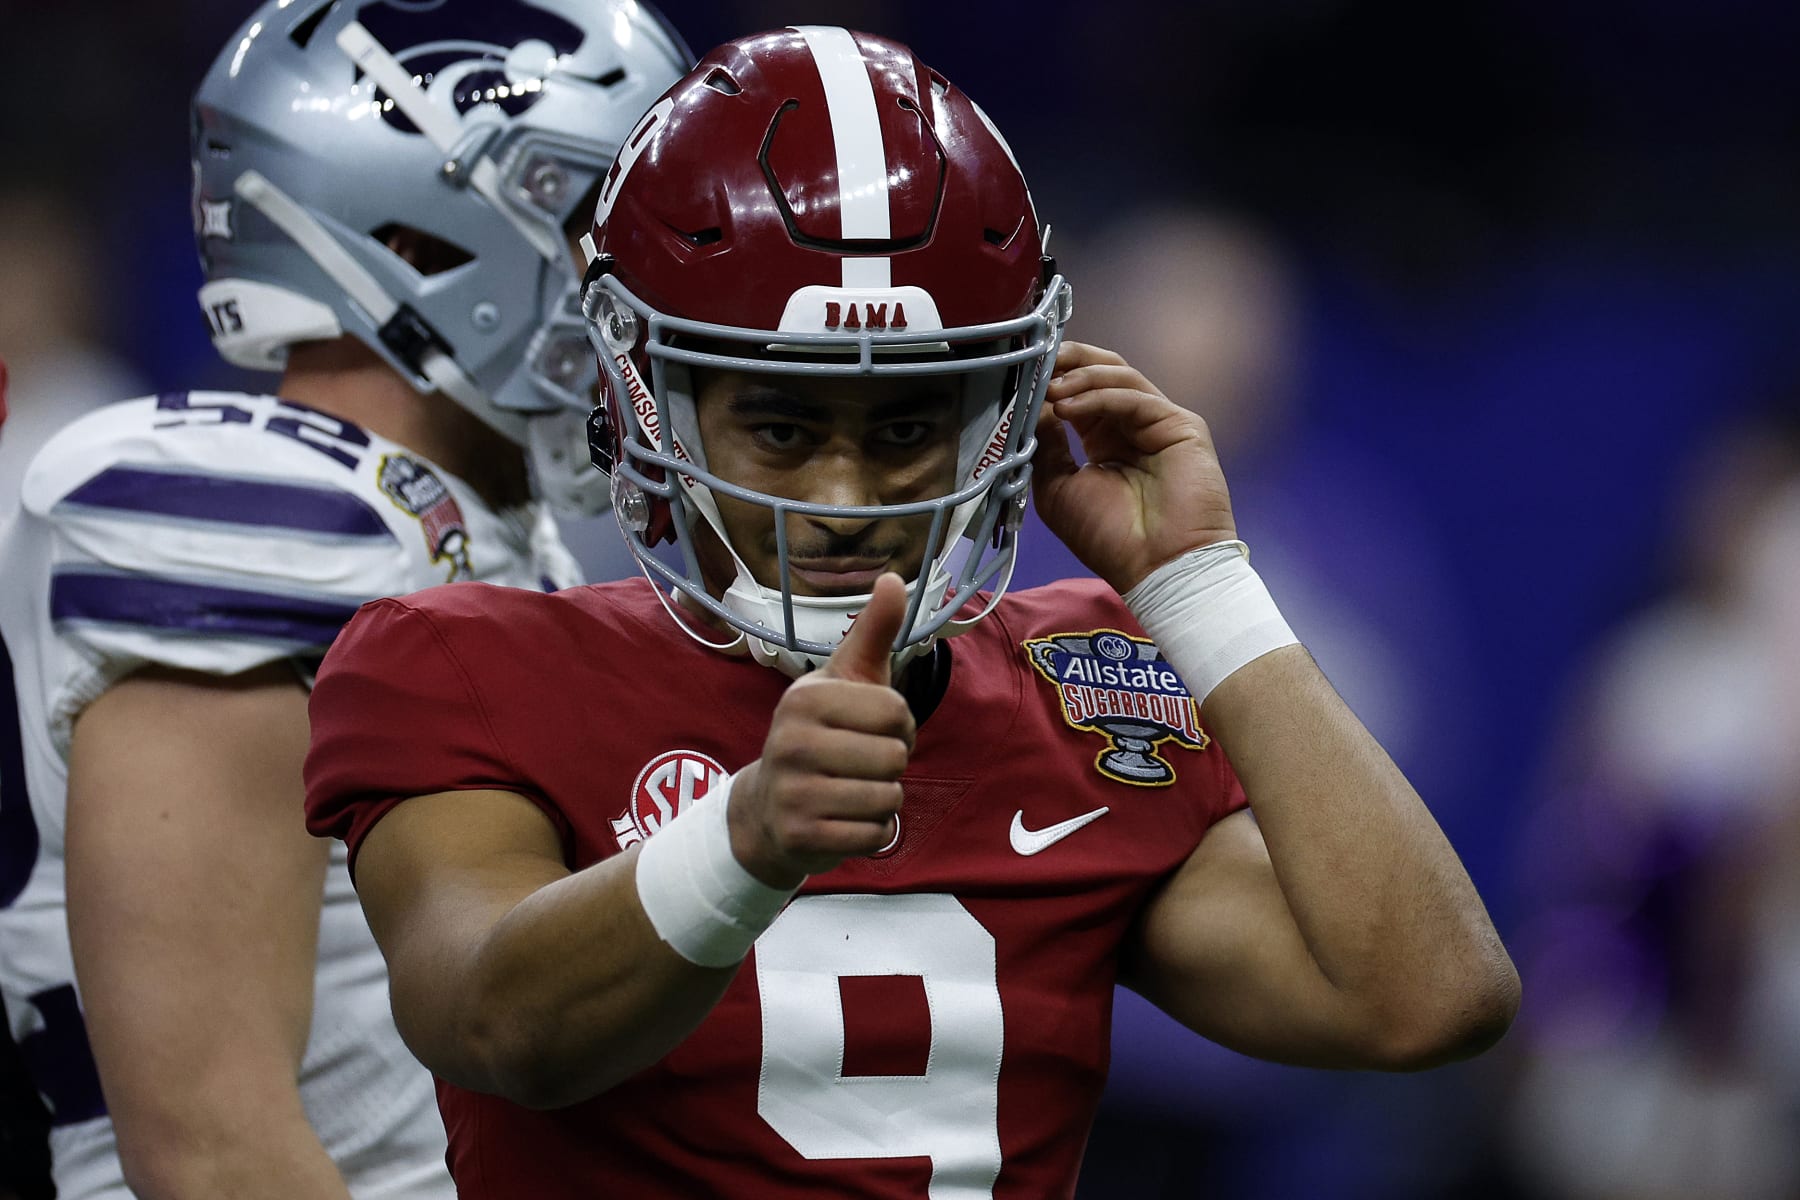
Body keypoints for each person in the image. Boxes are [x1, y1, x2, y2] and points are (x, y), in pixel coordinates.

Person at [304, 26, 1520, 1197]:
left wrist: (1198, 584)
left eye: (905, 430)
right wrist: (742, 844)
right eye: (781, 429)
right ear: (648, 402)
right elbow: (493, 1024)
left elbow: (1430, 998)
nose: (845, 500)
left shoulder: (1082, 693)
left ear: (1002, 418)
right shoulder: (464, 661)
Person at [0, 2, 688, 1197]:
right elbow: (218, 1152)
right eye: (601, 226)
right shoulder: (246, 518)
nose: (659, 281)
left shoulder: (487, 538)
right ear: (425, 237)